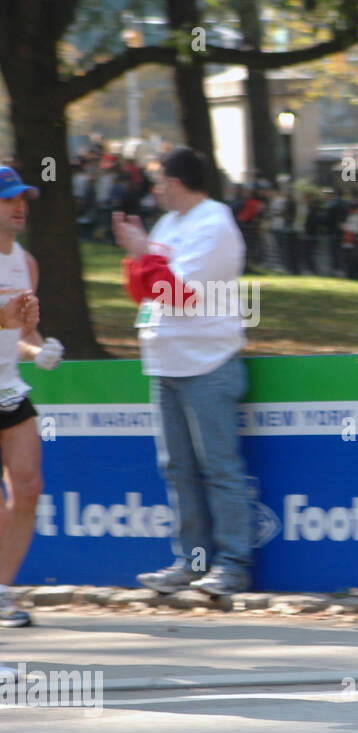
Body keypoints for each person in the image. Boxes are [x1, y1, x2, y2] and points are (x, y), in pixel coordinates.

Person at [112, 146, 252, 597]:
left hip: (207, 363)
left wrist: (141, 253)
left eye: (158, 182)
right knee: (177, 469)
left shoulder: (215, 224)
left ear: (174, 183)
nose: (154, 190)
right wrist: (136, 258)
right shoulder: (170, 224)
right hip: (166, 363)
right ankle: (191, 561)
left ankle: (232, 565)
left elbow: (181, 297)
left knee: (218, 468)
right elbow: (146, 291)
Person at [0, 167, 64, 628]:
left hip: (8, 389)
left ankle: (3, 590)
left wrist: (39, 350)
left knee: (28, 487)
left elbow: (24, 333)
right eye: (8, 200)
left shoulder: (27, 263)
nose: (19, 206)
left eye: (23, 198)